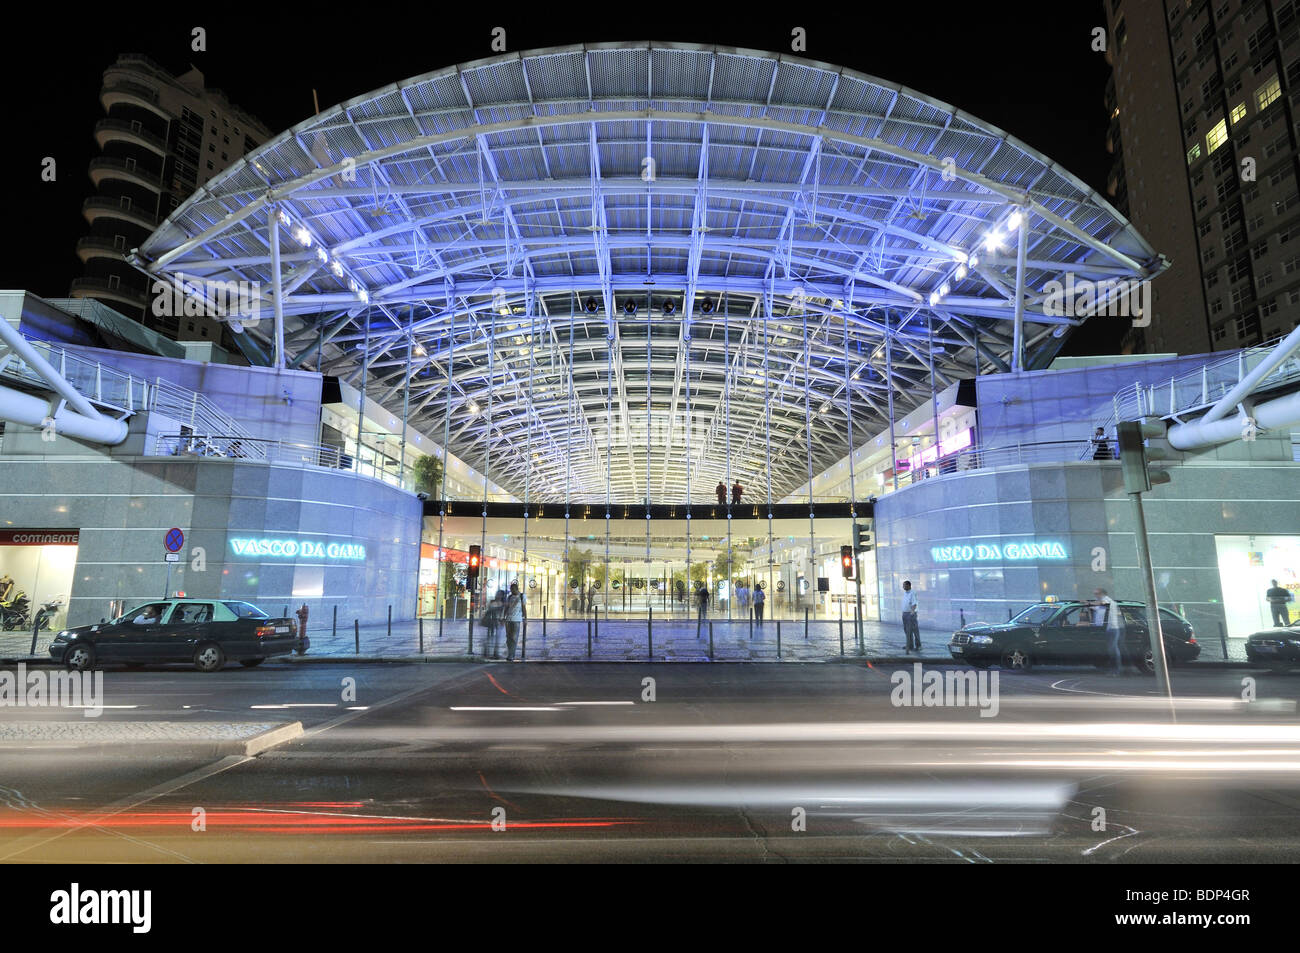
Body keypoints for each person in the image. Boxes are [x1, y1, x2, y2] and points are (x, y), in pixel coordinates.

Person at [1094, 588, 1124, 675]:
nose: (1095, 595)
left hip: (1112, 629)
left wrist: (1088, 603)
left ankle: (1116, 670)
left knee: (1113, 650)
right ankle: (1112, 669)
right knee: (1110, 650)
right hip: (1107, 629)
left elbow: (1103, 604)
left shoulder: (1108, 600)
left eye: (1097, 593)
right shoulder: (1100, 601)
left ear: (1102, 593)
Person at [503, 582, 526, 661]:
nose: (511, 591)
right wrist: (503, 616)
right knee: (508, 638)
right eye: (511, 589)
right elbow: (506, 607)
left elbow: (524, 607)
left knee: (514, 637)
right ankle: (510, 653)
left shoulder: (522, 596)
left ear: (516, 589)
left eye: (512, 590)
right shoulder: (510, 597)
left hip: (517, 619)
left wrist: (525, 618)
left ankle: (511, 655)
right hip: (508, 619)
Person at [482, 590, 505, 659]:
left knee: (497, 639)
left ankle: (495, 653)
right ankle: (487, 652)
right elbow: (488, 611)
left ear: (502, 596)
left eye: (500, 594)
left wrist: (502, 620)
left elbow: (502, 613)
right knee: (490, 638)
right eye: (498, 594)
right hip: (491, 622)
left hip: (498, 622)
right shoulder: (493, 602)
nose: (498, 596)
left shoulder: (502, 603)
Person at [901, 580, 920, 652]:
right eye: (903, 585)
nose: (903, 587)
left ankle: (918, 645)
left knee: (914, 630)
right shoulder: (905, 593)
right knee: (907, 630)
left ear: (909, 585)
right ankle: (910, 645)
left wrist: (912, 612)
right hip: (905, 613)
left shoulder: (912, 593)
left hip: (911, 613)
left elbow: (914, 603)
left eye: (904, 585)